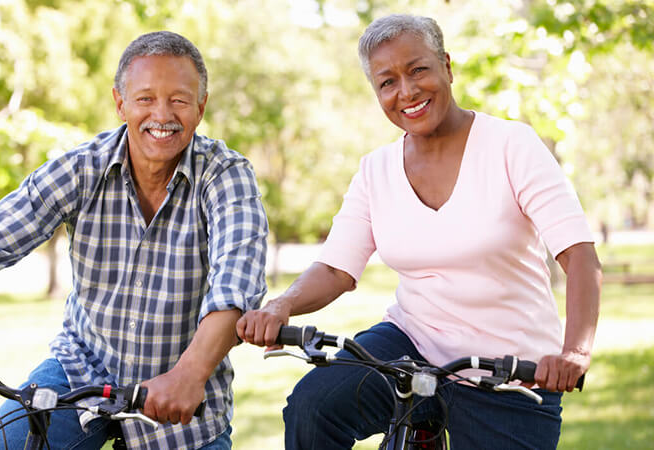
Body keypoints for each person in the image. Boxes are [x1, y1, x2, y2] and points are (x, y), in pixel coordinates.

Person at [0, 31, 268, 449]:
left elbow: (235, 280)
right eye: (145, 98)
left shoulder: (225, 174)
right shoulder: (83, 167)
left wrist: (190, 374)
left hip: (181, 398)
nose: (162, 114)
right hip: (80, 371)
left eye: (178, 99)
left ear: (200, 107)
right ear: (120, 103)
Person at [236, 14, 601, 450]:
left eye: (418, 70)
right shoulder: (376, 170)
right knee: (314, 406)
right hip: (410, 348)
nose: (406, 92)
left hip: (512, 372)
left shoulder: (511, 146)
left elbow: (578, 255)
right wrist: (282, 305)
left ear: (446, 66)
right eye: (387, 82)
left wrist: (574, 353)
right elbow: (336, 268)